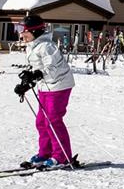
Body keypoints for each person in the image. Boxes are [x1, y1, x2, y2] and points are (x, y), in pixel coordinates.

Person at [14, 14, 80, 169]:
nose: (21, 34)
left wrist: (37, 75)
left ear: (35, 31)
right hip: (46, 86)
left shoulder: (47, 46)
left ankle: (62, 156)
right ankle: (45, 153)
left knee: (52, 121)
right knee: (41, 122)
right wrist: (26, 82)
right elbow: (37, 68)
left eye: (24, 30)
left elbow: (52, 68)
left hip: (59, 85)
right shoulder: (33, 46)